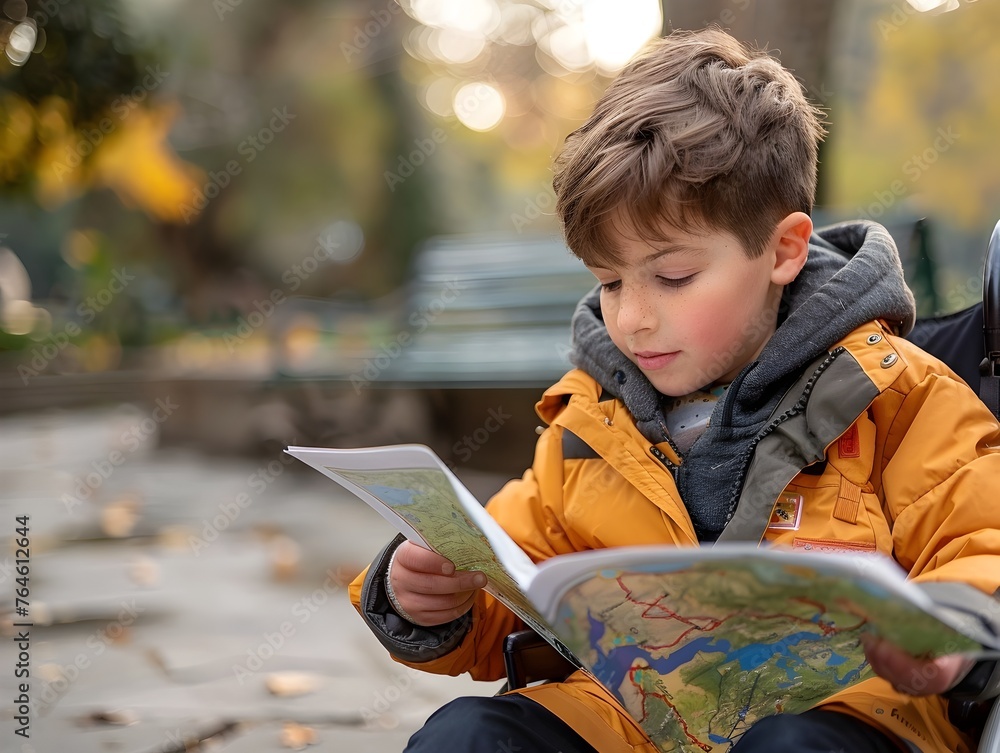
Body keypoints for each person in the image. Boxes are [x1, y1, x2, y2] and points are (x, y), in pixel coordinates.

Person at [349, 26, 1000, 753]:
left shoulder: (901, 396)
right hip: (632, 719)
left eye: (674, 276)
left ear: (782, 249)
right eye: (609, 281)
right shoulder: (592, 416)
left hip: (848, 714)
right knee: (465, 736)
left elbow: (983, 543)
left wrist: (949, 631)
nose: (632, 316)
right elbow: (518, 576)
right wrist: (433, 600)